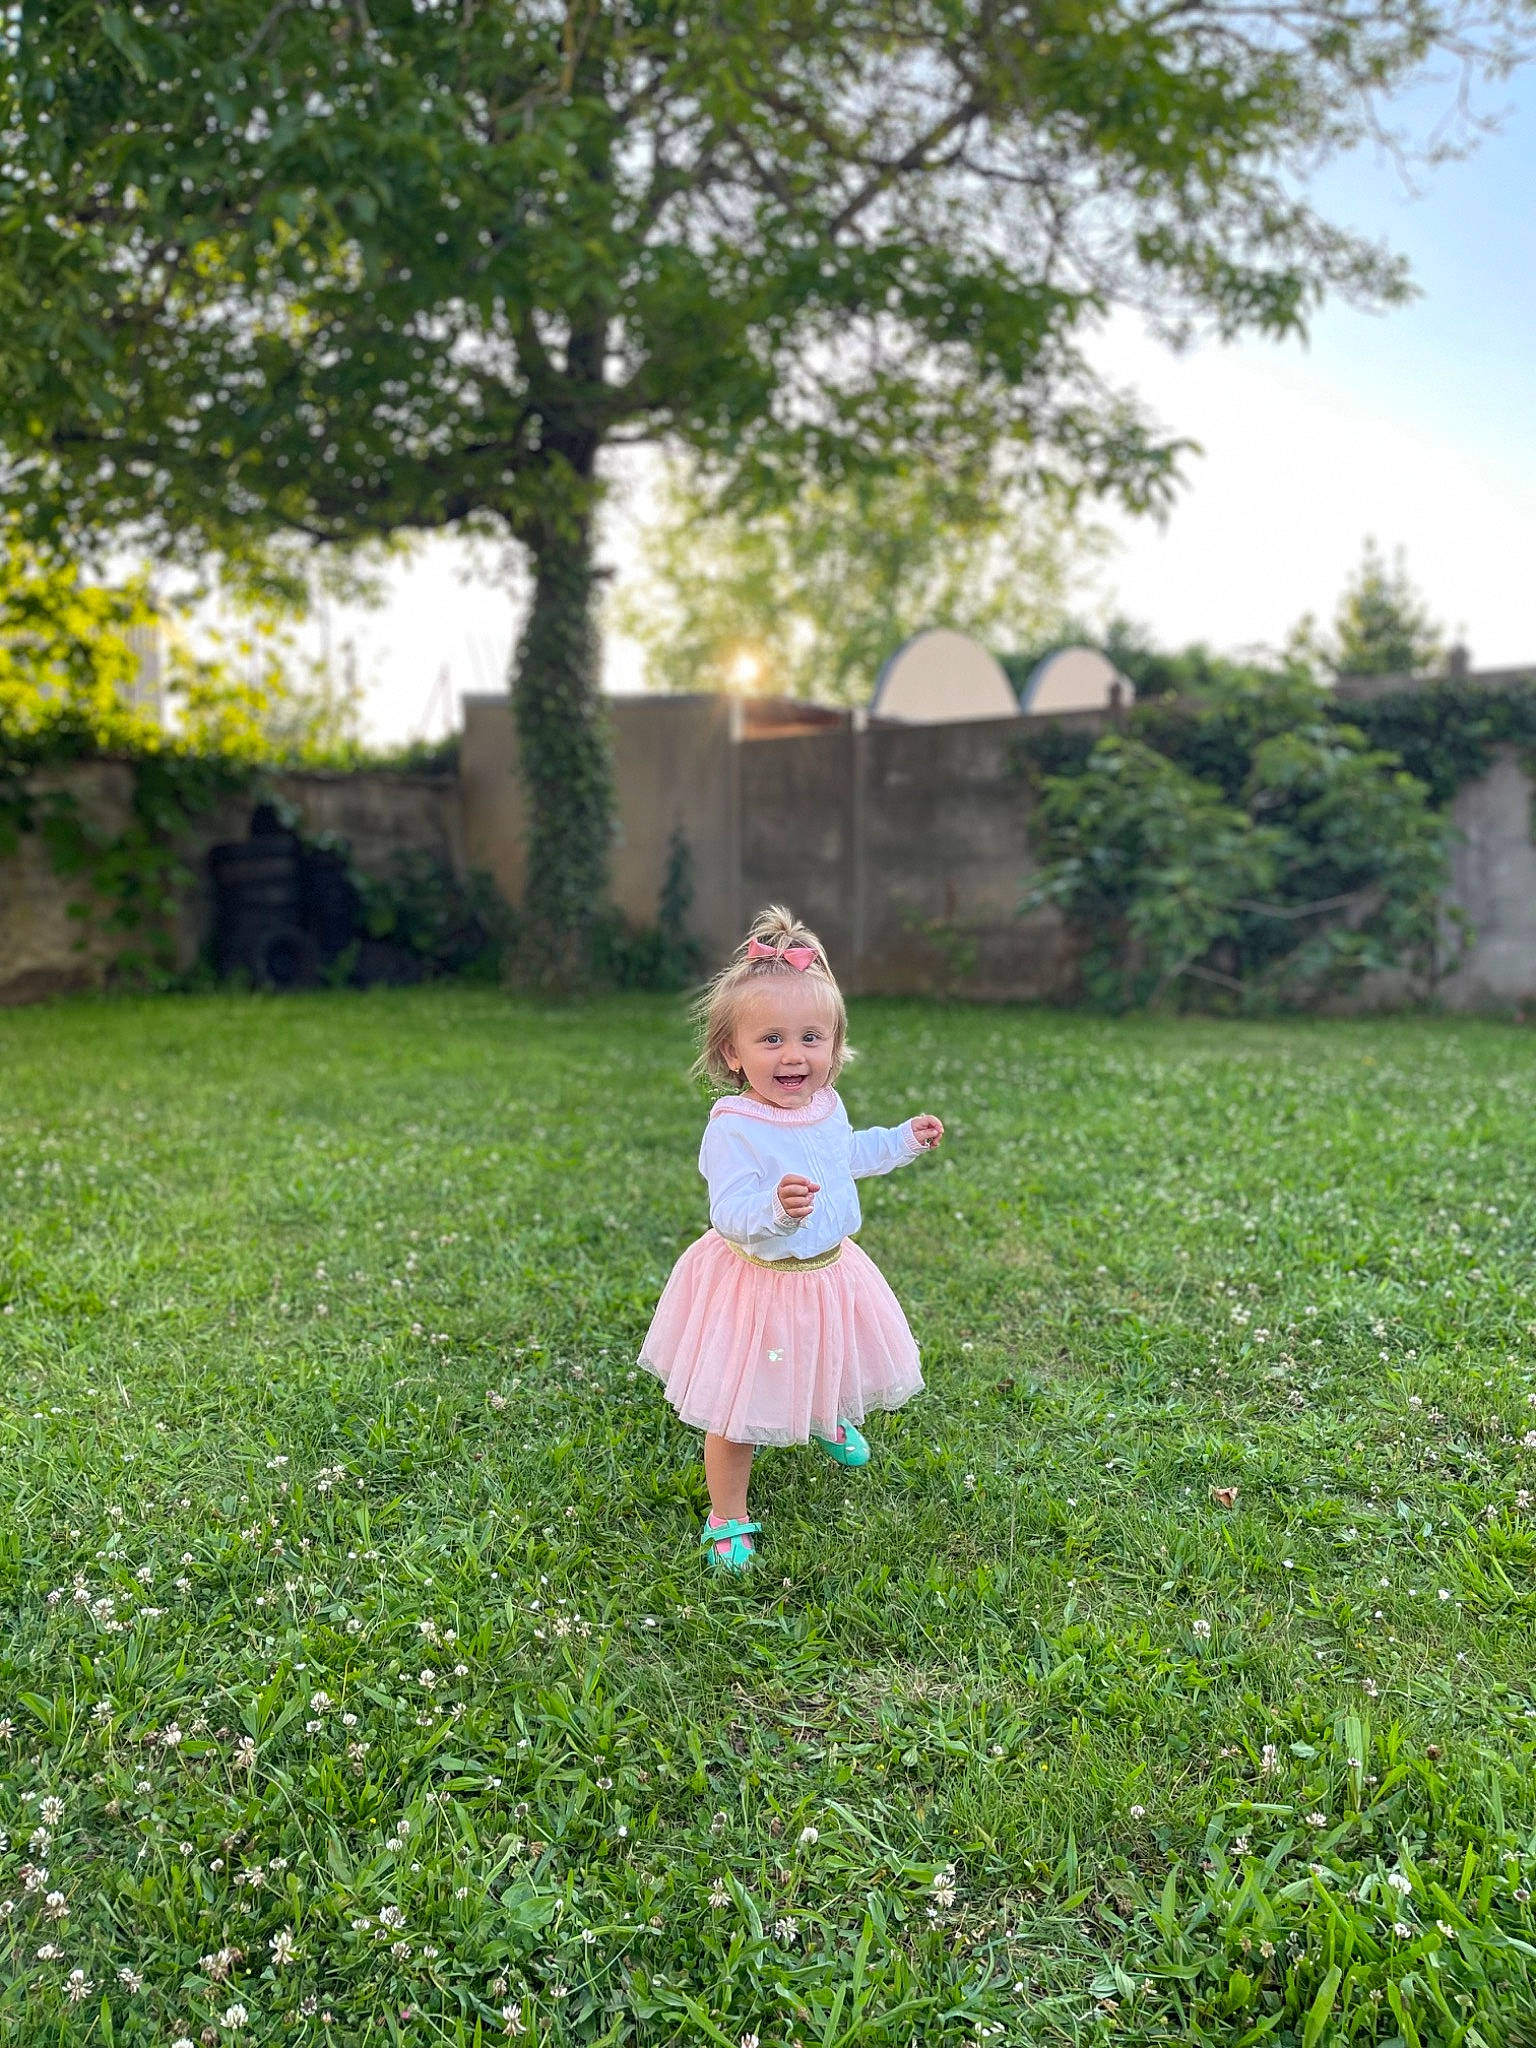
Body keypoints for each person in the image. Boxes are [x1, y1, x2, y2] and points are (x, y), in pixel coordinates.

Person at [638, 904, 943, 1572]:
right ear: (732, 1052)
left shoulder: (824, 1107)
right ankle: (728, 1513)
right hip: (757, 1283)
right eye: (770, 1040)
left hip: (829, 1273)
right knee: (740, 1403)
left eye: (811, 1038)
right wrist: (778, 1211)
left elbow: (846, 1156)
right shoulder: (733, 1128)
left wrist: (899, 1142)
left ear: (834, 1047)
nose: (794, 1055)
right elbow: (733, 1212)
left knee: (826, 1354)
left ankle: (819, 1412)